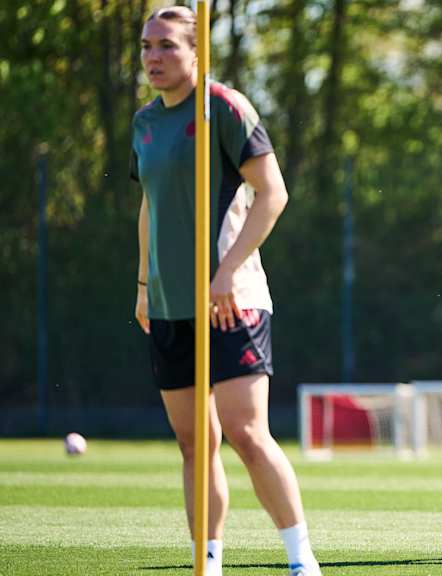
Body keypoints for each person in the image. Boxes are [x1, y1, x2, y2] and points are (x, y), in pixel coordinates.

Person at [131, 6, 321, 576]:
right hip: (168, 304)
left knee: (245, 431)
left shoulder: (225, 108)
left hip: (232, 299)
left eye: (166, 45)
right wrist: (144, 284)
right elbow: (149, 207)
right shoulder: (144, 122)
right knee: (195, 444)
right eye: (146, 47)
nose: (154, 57)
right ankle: (207, 563)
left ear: (196, 50)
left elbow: (273, 194)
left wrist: (224, 273)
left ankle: (300, 560)